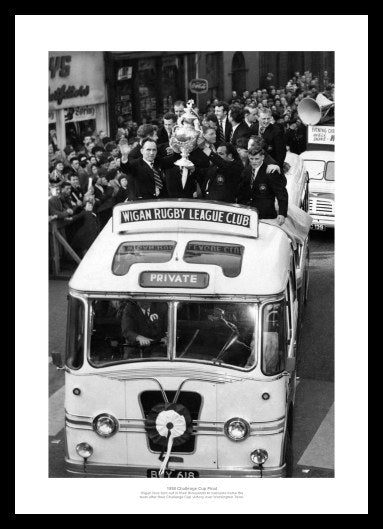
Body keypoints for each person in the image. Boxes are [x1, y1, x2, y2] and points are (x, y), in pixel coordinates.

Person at [237, 144, 288, 225]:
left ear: (263, 158)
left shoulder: (270, 171)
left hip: (266, 216)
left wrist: (282, 213)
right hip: (249, 214)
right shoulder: (247, 171)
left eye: (256, 159)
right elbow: (241, 192)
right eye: (251, 159)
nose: (254, 161)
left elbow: (281, 193)